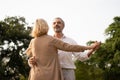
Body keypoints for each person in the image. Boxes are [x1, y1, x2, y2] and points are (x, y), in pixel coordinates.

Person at [25, 18, 99, 80]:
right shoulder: (49, 40)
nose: (56, 24)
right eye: (54, 23)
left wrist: (92, 49)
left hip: (67, 72)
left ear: (63, 25)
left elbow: (82, 57)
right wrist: (30, 61)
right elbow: (31, 57)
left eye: (59, 23)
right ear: (50, 26)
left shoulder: (70, 41)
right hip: (51, 74)